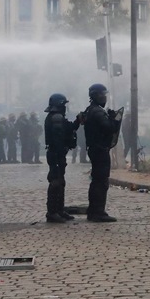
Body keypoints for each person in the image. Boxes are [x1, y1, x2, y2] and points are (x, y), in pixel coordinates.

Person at [84, 84, 122, 223]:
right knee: (101, 182)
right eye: (101, 94)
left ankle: (93, 211)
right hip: (100, 149)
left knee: (96, 181)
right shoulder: (98, 112)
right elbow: (108, 128)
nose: (104, 97)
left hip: (95, 148)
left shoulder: (91, 110)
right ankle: (98, 212)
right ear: (95, 95)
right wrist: (114, 119)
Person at [44, 94, 81, 223]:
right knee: (55, 182)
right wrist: (61, 154)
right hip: (56, 153)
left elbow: (69, 129)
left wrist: (77, 121)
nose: (65, 107)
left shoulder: (56, 117)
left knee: (60, 181)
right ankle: (52, 212)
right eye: (63, 104)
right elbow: (59, 137)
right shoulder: (56, 118)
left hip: (57, 153)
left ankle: (59, 210)